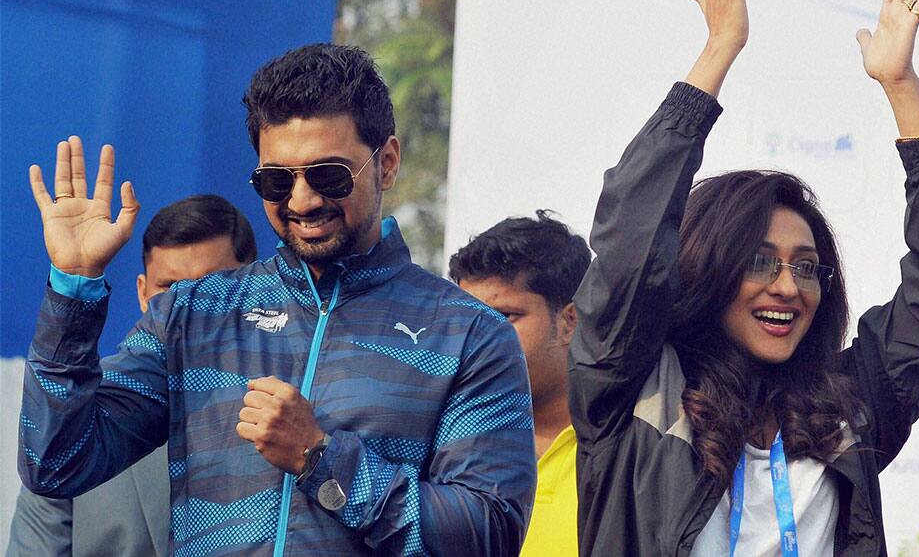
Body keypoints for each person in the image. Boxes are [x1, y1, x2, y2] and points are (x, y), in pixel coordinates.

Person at [568, 0, 919, 556]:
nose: (788, 287)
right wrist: (718, 49)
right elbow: (631, 248)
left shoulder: (849, 409)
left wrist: (903, 88)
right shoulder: (635, 389)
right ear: (708, 270)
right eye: (760, 263)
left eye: (807, 268)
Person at [19, 44, 535, 556]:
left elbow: (490, 535)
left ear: (388, 163)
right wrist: (73, 287)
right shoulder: (192, 314)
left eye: (329, 174)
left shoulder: (470, 333)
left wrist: (322, 460)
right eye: (276, 181)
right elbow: (57, 461)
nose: (302, 200)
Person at [7, 194, 257, 557]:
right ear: (142, 294)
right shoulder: (75, 411)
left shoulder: (299, 398)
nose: (183, 309)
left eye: (209, 287)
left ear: (255, 288)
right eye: (169, 289)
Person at [449, 210, 591, 557]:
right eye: (468, 320)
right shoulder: (441, 446)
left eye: (504, 317)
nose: (477, 340)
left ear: (569, 321)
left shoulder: (626, 447)